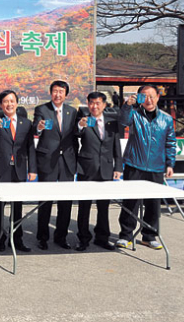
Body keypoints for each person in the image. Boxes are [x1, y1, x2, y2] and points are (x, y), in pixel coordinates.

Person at [116, 84, 176, 250]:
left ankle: (149, 236)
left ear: (158, 97)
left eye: (151, 96)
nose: (148, 100)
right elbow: (123, 121)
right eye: (144, 96)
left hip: (156, 167)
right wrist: (128, 105)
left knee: (153, 204)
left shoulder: (166, 119)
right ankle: (125, 235)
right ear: (139, 98)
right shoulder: (134, 115)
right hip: (134, 164)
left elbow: (170, 142)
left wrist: (170, 163)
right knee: (131, 202)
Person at [33, 80, 79, 250]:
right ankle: (42, 237)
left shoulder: (72, 112)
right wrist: (39, 127)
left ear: (66, 94)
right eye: (55, 91)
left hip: (67, 160)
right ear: (50, 93)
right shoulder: (42, 109)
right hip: (47, 160)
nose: (57, 94)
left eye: (61, 91)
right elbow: (34, 129)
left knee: (65, 201)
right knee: (45, 201)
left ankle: (61, 236)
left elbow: (76, 134)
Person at [0, 90, 36, 253]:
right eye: (5, 102)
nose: (9, 104)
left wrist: (33, 169)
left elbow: (30, 147)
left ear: (17, 103)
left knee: (17, 207)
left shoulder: (26, 123)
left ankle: (17, 239)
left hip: (19, 169)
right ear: (1, 105)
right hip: (0, 168)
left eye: (12, 101)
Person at [75, 92, 122, 251]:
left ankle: (102, 238)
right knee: (84, 206)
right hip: (86, 168)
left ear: (104, 105)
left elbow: (116, 147)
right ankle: (83, 239)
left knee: (104, 207)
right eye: (91, 103)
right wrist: (81, 125)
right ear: (88, 104)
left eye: (98, 103)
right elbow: (76, 133)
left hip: (107, 169)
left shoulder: (112, 123)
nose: (95, 106)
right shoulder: (83, 121)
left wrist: (118, 167)